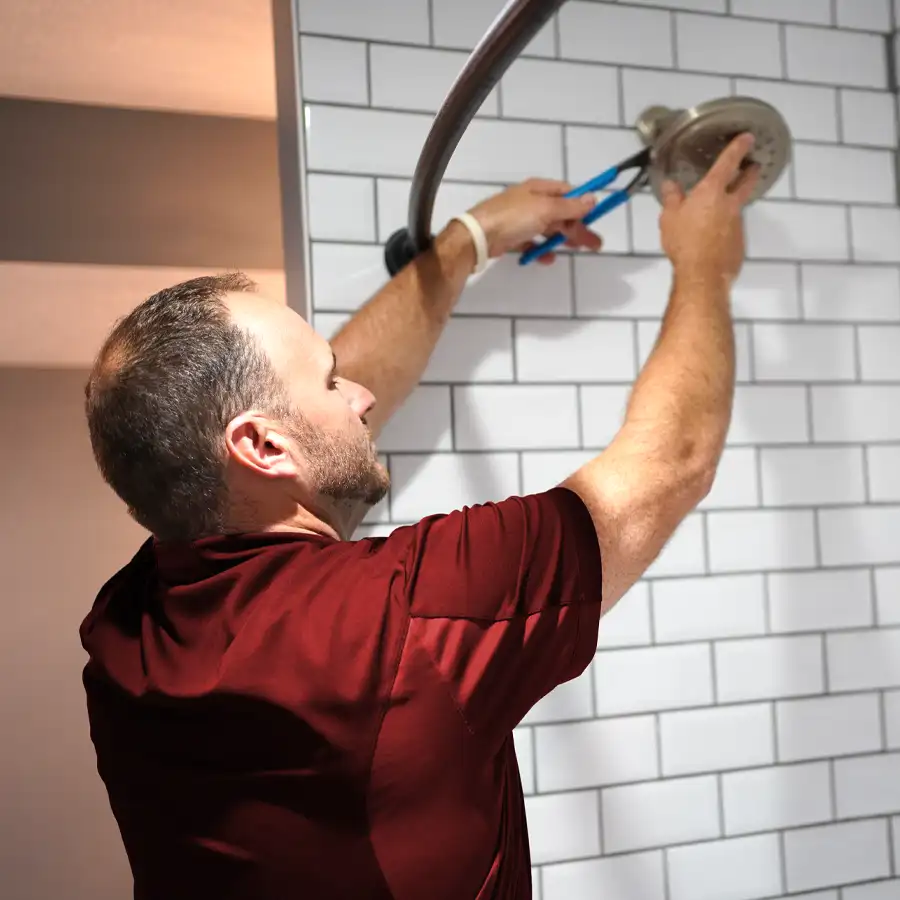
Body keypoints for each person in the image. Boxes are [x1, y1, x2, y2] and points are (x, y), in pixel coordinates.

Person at [80, 133, 760, 900]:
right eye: (334, 383)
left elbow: (291, 425)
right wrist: (707, 263)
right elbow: (671, 464)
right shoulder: (406, 616)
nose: (362, 395)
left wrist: (470, 240)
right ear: (263, 446)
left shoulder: (122, 633)